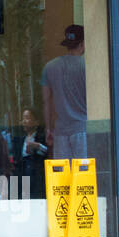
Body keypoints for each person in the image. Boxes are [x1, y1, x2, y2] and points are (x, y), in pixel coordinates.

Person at [43, 24, 87, 160]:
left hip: (60, 132)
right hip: (82, 129)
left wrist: (48, 128)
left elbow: (46, 101)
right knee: (83, 177)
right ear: (83, 44)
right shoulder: (87, 66)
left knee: (63, 179)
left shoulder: (49, 67)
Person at [10, 107, 47, 199]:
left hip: (37, 176)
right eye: (23, 119)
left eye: (27, 118)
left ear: (36, 122)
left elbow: (49, 152)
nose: (24, 121)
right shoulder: (19, 139)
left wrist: (38, 146)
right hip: (23, 174)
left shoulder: (42, 137)